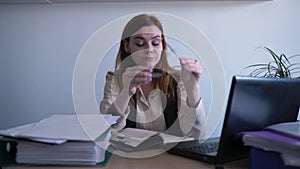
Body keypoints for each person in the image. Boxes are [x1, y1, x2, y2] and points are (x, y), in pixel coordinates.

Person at [100, 13, 206, 139]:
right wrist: (126, 93)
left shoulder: (178, 79)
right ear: (127, 46)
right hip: (129, 157)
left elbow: (196, 136)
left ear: (162, 46)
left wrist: (193, 89)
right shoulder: (114, 80)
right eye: (140, 43)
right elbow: (106, 131)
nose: (149, 49)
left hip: (170, 157)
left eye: (155, 43)